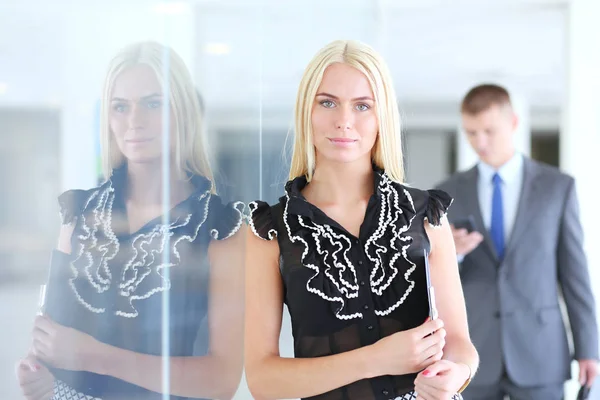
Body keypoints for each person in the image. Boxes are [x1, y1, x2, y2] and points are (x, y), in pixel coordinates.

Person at [245, 39, 479, 400]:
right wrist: (377, 359)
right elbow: (262, 380)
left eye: (362, 106)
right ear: (306, 111)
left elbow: (462, 346)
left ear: (381, 115)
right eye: (327, 102)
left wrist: (456, 374)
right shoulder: (271, 232)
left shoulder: (427, 216)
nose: (343, 121)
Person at [15, 41, 245, 400]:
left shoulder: (222, 229)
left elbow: (220, 382)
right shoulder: (77, 214)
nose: (134, 122)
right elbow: (49, 343)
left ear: (182, 112)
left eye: (153, 104)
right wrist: (36, 375)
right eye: (120, 107)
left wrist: (92, 355)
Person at [436, 83, 599, 399]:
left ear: (512, 123)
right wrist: (450, 254)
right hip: (473, 351)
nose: (479, 142)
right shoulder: (446, 193)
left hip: (540, 352)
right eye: (471, 132)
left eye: (488, 131)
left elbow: (575, 275)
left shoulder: (557, 188)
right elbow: (432, 281)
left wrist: (588, 349)